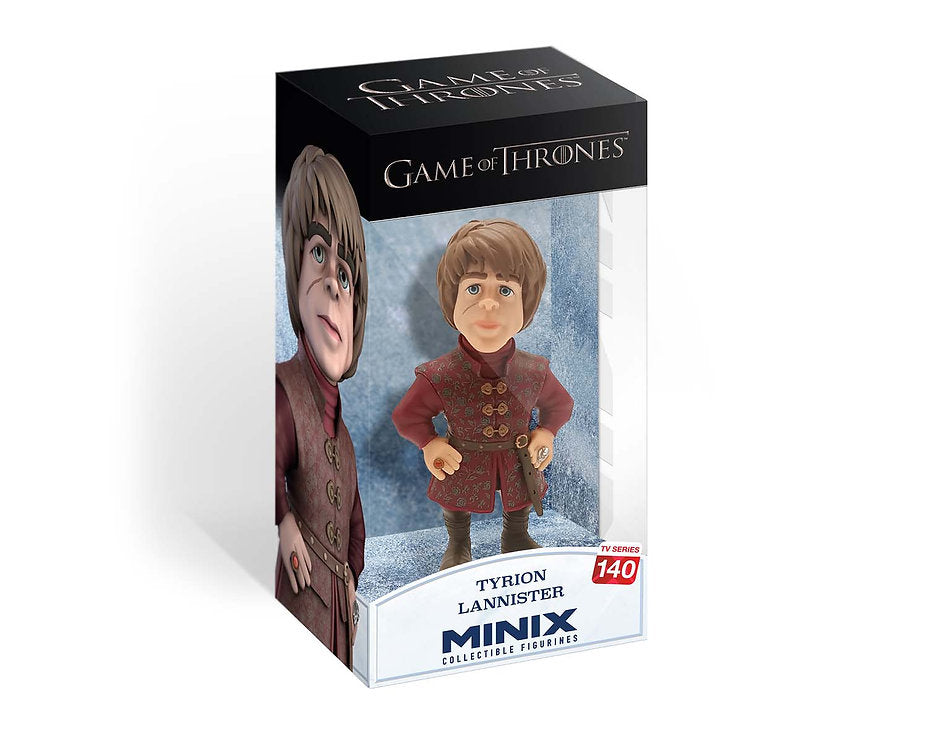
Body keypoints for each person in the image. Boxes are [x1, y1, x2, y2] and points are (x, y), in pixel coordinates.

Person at [392, 219, 573, 571]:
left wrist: (547, 432)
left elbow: (560, 403)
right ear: (452, 300)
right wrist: (430, 443)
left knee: (520, 494)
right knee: (455, 497)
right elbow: (407, 415)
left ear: (527, 304)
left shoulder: (533, 370)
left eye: (505, 291)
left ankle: (516, 536)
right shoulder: (440, 374)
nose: (489, 304)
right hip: (464, 456)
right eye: (474, 288)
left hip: (516, 457)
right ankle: (458, 544)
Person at [276, 145, 368, 666]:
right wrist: (284, 522)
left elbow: (354, 514)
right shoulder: (281, 390)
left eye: (347, 277)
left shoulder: (346, 438)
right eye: (318, 253)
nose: (334, 282)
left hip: (339, 611)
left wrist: (352, 571)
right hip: (298, 600)